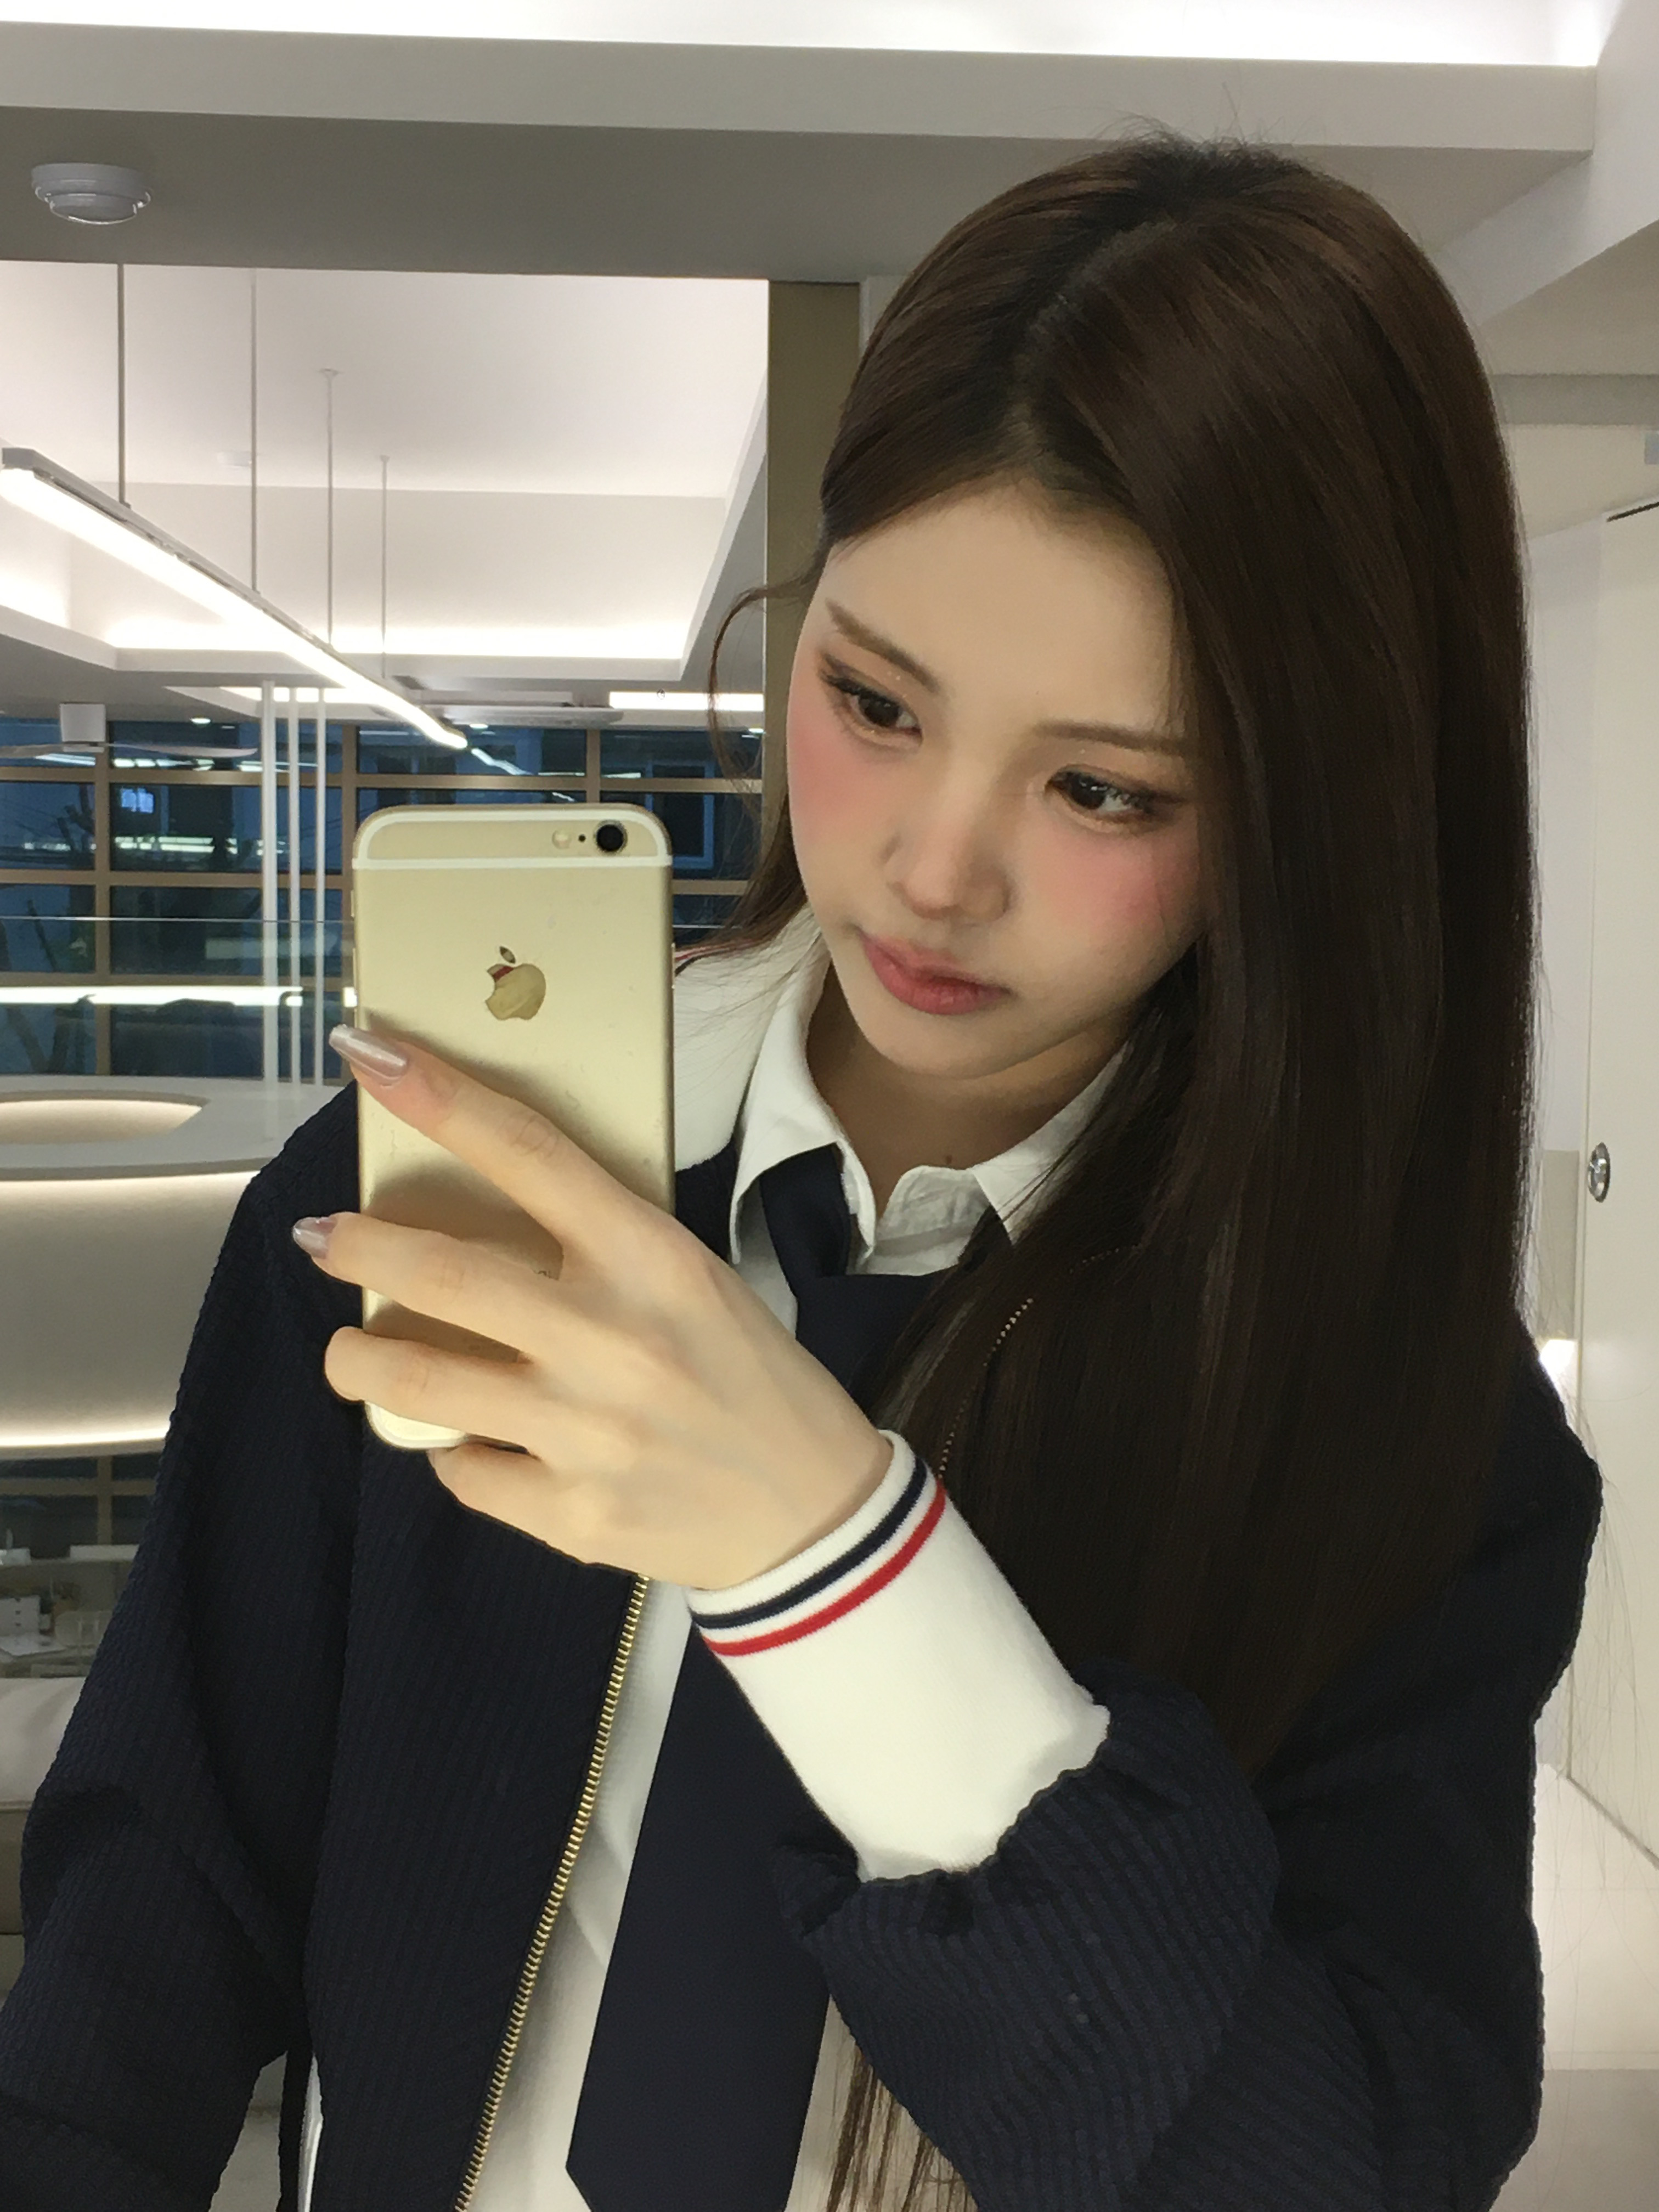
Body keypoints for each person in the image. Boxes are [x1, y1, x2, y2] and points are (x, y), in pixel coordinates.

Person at [0, 133, 1601, 2212]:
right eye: (871, 699)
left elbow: (1341, 2161)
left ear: (1320, 821)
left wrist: (831, 1562)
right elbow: (160, 1900)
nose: (933, 871)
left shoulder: (1416, 1431)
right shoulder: (435, 1208)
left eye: (1104, 787)